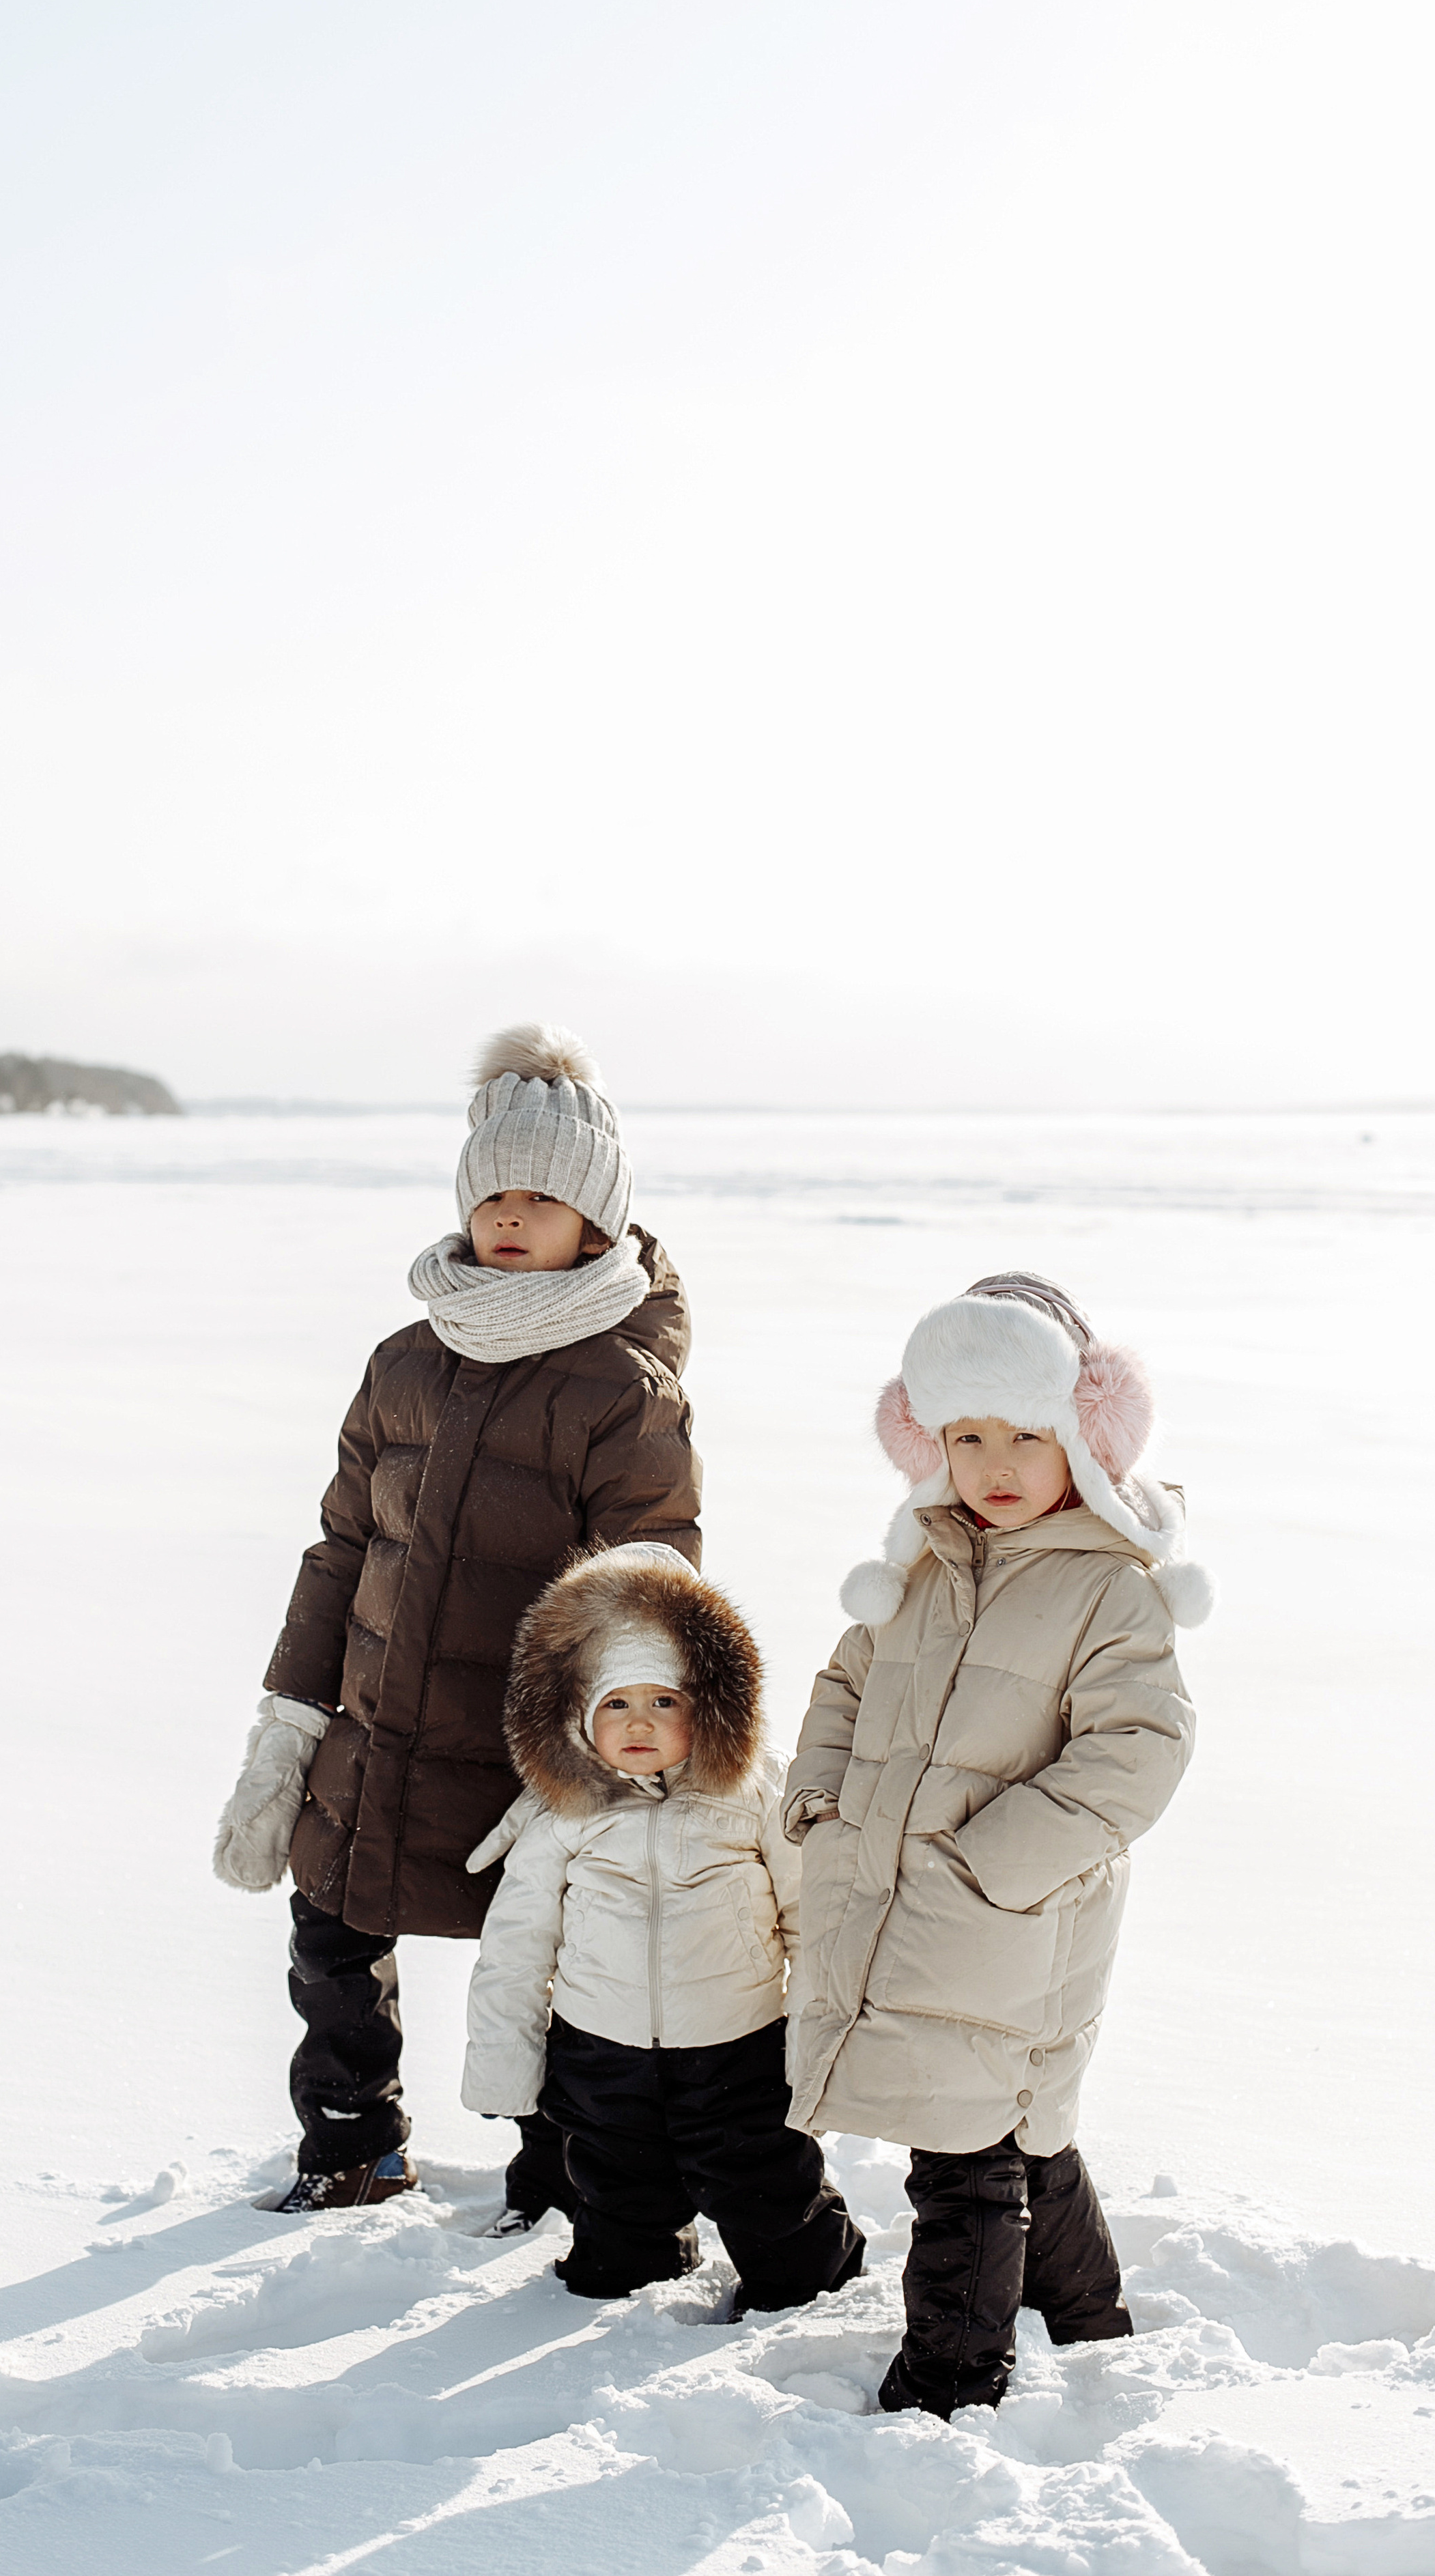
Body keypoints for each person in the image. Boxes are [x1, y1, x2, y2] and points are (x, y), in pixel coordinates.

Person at [212, 1024, 701, 2218]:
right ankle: (350, 2144)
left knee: (537, 1965)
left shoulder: (619, 1389)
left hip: (525, 1747)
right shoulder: (403, 1363)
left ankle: (561, 2175)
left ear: (594, 1224)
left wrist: (599, 1757)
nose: (511, 1216)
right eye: (494, 1192)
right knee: (330, 1934)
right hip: (376, 1730)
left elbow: (649, 1581)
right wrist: (294, 1714)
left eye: (542, 1196)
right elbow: (341, 1548)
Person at [784, 1271, 1209, 2416]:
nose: (996, 1464)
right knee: (1021, 2128)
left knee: (963, 2162)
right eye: (967, 1436)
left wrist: (992, 1868)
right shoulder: (922, 1565)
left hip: (1008, 1921)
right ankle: (1086, 2311)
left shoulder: (1112, 1593)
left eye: (1026, 1434)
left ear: (1083, 1431)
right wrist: (817, 1805)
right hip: (898, 1901)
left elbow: (1139, 1751)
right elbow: (845, 1685)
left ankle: (948, 2383)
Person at [461, 1542, 866, 2312]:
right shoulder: (563, 1813)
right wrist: (502, 2065)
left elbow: (812, 1918)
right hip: (601, 2053)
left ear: (708, 1705)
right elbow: (514, 1949)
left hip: (737, 2047)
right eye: (616, 1703)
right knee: (616, 2199)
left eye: (664, 1701)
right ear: (579, 1712)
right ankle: (634, 2269)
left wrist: (818, 2033)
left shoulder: (752, 1792)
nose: (638, 1723)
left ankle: (813, 2281)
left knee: (770, 2190)